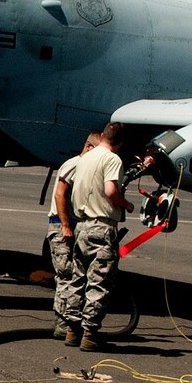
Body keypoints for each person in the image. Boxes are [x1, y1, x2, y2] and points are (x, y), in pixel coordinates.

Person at [61, 122, 132, 351]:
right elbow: (111, 191)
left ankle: (72, 329)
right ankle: (89, 334)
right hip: (102, 226)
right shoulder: (112, 159)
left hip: (81, 225)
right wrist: (127, 205)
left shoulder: (84, 159)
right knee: (99, 282)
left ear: (102, 136)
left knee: (77, 278)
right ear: (119, 143)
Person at [47, 133, 102, 340]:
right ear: (88, 147)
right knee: (66, 276)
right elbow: (60, 194)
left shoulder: (84, 166)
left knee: (75, 275)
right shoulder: (75, 164)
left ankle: (70, 322)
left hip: (72, 226)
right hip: (63, 227)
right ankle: (62, 323)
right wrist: (65, 226)